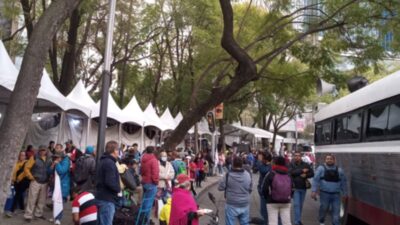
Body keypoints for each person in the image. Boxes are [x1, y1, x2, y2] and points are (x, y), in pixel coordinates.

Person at [311, 154, 347, 225]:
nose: (329, 160)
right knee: (324, 209)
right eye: (327, 159)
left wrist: (345, 193)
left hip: (336, 195)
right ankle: (321, 221)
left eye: (331, 159)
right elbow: (315, 180)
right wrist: (313, 191)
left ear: (334, 160)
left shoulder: (339, 170)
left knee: (336, 212)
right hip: (324, 194)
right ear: (325, 160)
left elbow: (343, 182)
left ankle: (335, 223)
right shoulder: (321, 169)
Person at [218, 157, 252, 225]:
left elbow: (220, 187)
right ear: (242, 164)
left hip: (231, 204)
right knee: (245, 223)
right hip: (244, 203)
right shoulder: (247, 175)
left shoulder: (228, 175)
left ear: (233, 164)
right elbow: (250, 188)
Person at [24, 145, 52, 222]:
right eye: (41, 150)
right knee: (31, 199)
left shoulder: (49, 159)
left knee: (42, 200)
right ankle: (28, 215)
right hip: (35, 181)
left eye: (44, 150)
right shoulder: (34, 157)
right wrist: (31, 177)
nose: (43, 152)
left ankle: (38, 214)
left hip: (45, 182)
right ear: (39, 150)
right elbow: (26, 168)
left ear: (46, 151)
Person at [95, 141, 121, 225]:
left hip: (101, 197)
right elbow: (110, 182)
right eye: (118, 150)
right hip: (107, 199)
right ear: (114, 150)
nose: (119, 152)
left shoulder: (103, 161)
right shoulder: (109, 163)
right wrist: (118, 189)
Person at [263, 156, 292, 225]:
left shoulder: (271, 174)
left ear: (275, 163)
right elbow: (293, 187)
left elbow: (264, 188)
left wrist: (267, 197)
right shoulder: (288, 174)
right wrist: (289, 196)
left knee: (272, 222)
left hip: (272, 201)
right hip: (286, 201)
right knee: (287, 222)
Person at [289, 151, 314, 225]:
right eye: (295, 156)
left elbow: (312, 173)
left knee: (300, 205)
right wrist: (302, 171)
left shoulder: (306, 164)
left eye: (298, 156)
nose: (297, 157)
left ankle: (298, 220)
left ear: (301, 157)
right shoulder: (291, 164)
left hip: (303, 187)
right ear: (294, 157)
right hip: (295, 187)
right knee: (296, 204)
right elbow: (291, 173)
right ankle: (297, 222)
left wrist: (306, 175)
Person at [138, 146, 160, 222]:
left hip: (145, 181)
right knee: (148, 203)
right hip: (151, 182)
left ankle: (141, 218)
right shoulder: (154, 160)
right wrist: (156, 182)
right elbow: (155, 173)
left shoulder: (143, 159)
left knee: (145, 201)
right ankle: (145, 220)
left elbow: (141, 171)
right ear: (154, 151)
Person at [50, 151, 71, 225]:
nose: (56, 158)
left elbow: (61, 171)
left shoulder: (66, 162)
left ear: (61, 157)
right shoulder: (57, 161)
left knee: (60, 202)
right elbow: (49, 172)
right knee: (55, 201)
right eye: (55, 157)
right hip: (56, 185)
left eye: (57, 157)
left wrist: (57, 163)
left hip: (63, 186)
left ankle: (58, 218)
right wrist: (52, 166)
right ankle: (55, 216)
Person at [7, 151, 30, 217]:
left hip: (23, 181)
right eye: (20, 155)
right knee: (19, 194)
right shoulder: (16, 162)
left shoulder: (26, 162)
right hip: (16, 181)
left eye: (23, 155)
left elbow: (24, 172)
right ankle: (22, 208)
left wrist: (18, 179)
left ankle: (11, 210)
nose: (21, 156)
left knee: (17, 195)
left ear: (25, 156)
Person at [256, 151, 272, 224]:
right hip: (264, 190)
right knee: (264, 210)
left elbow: (263, 170)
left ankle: (266, 222)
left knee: (264, 210)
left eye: (262, 157)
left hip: (266, 191)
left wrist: (259, 161)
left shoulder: (269, 167)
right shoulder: (265, 165)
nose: (261, 159)